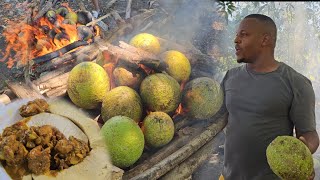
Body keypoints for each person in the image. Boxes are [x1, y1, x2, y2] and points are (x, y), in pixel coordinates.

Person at [220, 13, 319, 180]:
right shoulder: (230, 77)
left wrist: (301, 150)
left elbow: (310, 134)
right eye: (237, 35)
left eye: (243, 35)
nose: (236, 40)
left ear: (265, 40)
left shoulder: (296, 83)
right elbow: (219, 118)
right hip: (228, 176)